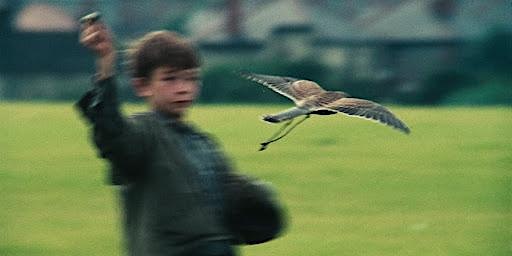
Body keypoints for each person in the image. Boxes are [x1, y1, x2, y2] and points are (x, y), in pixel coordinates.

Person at [76, 15, 284, 256]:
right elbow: (112, 135)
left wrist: (255, 194)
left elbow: (228, 203)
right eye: (170, 78)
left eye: (191, 78)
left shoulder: (204, 144)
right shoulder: (143, 133)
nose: (183, 87)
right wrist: (106, 63)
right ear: (142, 86)